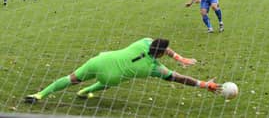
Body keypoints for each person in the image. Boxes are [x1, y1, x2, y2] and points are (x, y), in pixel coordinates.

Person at [25, 38, 221, 103]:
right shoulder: (154, 68)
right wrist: (203, 84)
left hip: (101, 60)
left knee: (71, 78)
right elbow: (178, 78)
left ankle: (40, 94)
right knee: (106, 82)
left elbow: (162, 46)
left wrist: (178, 57)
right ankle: (86, 92)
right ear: (160, 54)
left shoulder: (143, 42)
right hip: (111, 77)